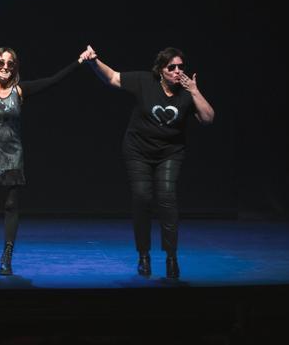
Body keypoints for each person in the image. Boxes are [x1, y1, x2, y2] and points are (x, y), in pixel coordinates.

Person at [0, 9, 84, 275]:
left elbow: (54, 81)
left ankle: (7, 256)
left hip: (11, 155)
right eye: (1, 62)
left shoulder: (21, 90)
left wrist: (79, 62)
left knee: (10, 205)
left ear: (15, 67)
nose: (6, 67)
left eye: (10, 64)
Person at [80, 45, 215, 279]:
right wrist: (94, 61)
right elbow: (112, 77)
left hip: (170, 152)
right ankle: (143, 254)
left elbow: (208, 118)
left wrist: (194, 90)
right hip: (138, 150)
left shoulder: (186, 92)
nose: (177, 71)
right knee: (142, 197)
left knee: (167, 198)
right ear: (161, 70)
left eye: (180, 67)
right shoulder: (145, 81)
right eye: (171, 67)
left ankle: (171, 257)